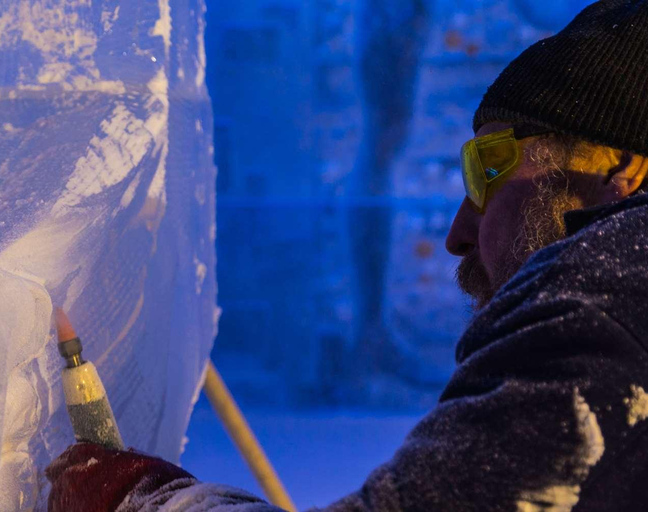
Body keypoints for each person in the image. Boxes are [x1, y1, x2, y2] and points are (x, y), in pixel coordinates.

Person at [46, 1, 648, 510]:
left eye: (488, 169)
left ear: (620, 168)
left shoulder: (611, 283)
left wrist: (145, 498)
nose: (459, 233)